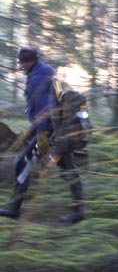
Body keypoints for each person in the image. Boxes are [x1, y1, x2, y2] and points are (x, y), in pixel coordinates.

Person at [0, 47, 85, 223]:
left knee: (22, 163)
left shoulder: (38, 78)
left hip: (49, 132)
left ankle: (14, 208)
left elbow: (44, 110)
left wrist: (42, 139)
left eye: (22, 63)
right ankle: (79, 210)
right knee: (68, 169)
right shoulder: (46, 73)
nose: (21, 66)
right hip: (59, 130)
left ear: (29, 62)